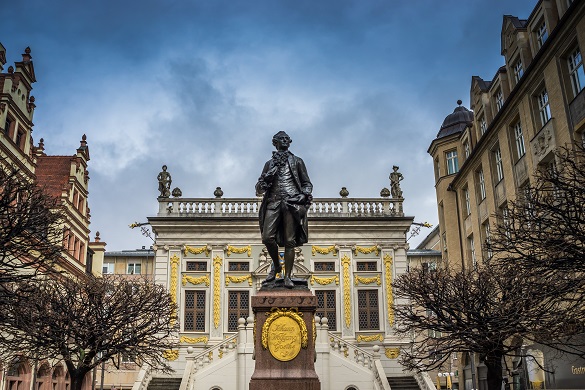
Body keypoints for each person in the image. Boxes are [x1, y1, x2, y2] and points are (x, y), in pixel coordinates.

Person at [256, 131, 313, 288]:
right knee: (267, 237)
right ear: (275, 142)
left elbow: (307, 183)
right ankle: (277, 266)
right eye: (282, 139)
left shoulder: (297, 161)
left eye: (287, 139)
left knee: (290, 241)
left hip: (291, 203)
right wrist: (265, 180)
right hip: (273, 202)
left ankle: (287, 276)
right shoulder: (269, 164)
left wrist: (304, 194)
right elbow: (259, 188)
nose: (285, 140)